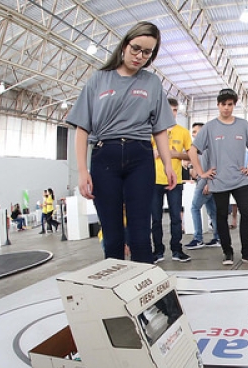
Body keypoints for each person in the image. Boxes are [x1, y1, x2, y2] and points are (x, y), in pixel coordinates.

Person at [67, 21, 177, 264]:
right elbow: (82, 128)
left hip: (140, 157)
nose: (140, 56)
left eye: (147, 52)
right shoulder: (98, 80)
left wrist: (168, 165)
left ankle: (147, 296)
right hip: (105, 157)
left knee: (140, 234)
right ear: (125, 45)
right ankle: (114, 296)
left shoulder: (151, 83)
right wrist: (82, 171)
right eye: (136, 48)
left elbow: (159, 129)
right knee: (113, 235)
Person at [188, 88, 248, 265]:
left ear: (234, 105)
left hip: (240, 179)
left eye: (230, 104)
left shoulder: (243, 125)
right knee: (221, 216)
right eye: (223, 104)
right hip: (218, 181)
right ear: (218, 105)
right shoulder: (209, 127)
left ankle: (247, 253)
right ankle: (227, 252)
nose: (226, 108)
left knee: (247, 212)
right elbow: (193, 150)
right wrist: (201, 173)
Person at [151, 97, 192, 263]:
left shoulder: (183, 132)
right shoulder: (152, 131)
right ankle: (158, 251)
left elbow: (190, 154)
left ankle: (177, 250)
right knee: (156, 218)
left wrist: (176, 154)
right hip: (154, 180)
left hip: (175, 180)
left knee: (176, 217)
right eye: (169, 109)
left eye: (175, 110)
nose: (172, 113)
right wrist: (155, 152)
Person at [185, 122, 220, 250]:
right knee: (212, 211)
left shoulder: (208, 147)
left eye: (195, 131)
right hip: (204, 181)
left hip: (205, 182)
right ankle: (218, 237)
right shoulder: (200, 149)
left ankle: (198, 238)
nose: (193, 134)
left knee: (194, 208)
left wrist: (208, 183)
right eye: (193, 132)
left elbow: (214, 167)